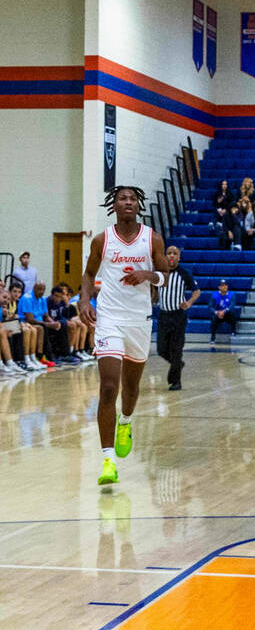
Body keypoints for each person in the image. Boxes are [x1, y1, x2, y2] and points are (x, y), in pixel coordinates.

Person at [79, 186, 168, 488]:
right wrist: (83, 301)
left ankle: (126, 422)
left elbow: (166, 273)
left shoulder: (151, 238)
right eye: (122, 198)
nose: (128, 202)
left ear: (139, 206)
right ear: (114, 205)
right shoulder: (102, 240)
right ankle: (107, 460)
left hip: (138, 320)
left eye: (132, 199)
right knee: (108, 387)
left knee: (131, 386)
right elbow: (89, 274)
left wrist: (149, 275)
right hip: (109, 319)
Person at [156, 244, 200, 390]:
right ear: (165, 256)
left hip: (178, 316)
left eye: (175, 253)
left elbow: (196, 291)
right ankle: (178, 364)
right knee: (161, 349)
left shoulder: (184, 274)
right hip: (163, 315)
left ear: (179, 257)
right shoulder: (160, 274)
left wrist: (189, 303)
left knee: (176, 349)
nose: (172, 256)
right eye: (169, 253)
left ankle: (176, 381)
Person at [17, 280, 54, 367]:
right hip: (26, 322)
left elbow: (46, 315)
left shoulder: (42, 299)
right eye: (39, 289)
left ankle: (66, 354)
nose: (41, 291)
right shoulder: (27, 298)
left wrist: (53, 323)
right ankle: (39, 356)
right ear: (34, 288)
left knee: (61, 325)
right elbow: (30, 319)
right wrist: (47, 324)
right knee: (41, 328)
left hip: (39, 322)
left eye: (43, 290)